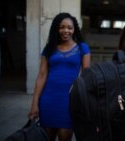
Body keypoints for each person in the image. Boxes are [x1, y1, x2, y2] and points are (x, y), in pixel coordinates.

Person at [28, 12, 90, 141]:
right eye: (62, 27)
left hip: (70, 100)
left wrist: (85, 103)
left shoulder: (82, 48)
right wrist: (34, 104)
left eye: (69, 27)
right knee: (46, 137)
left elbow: (86, 77)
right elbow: (42, 75)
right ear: (56, 28)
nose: (65, 30)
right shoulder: (49, 48)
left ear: (74, 30)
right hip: (48, 99)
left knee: (65, 136)